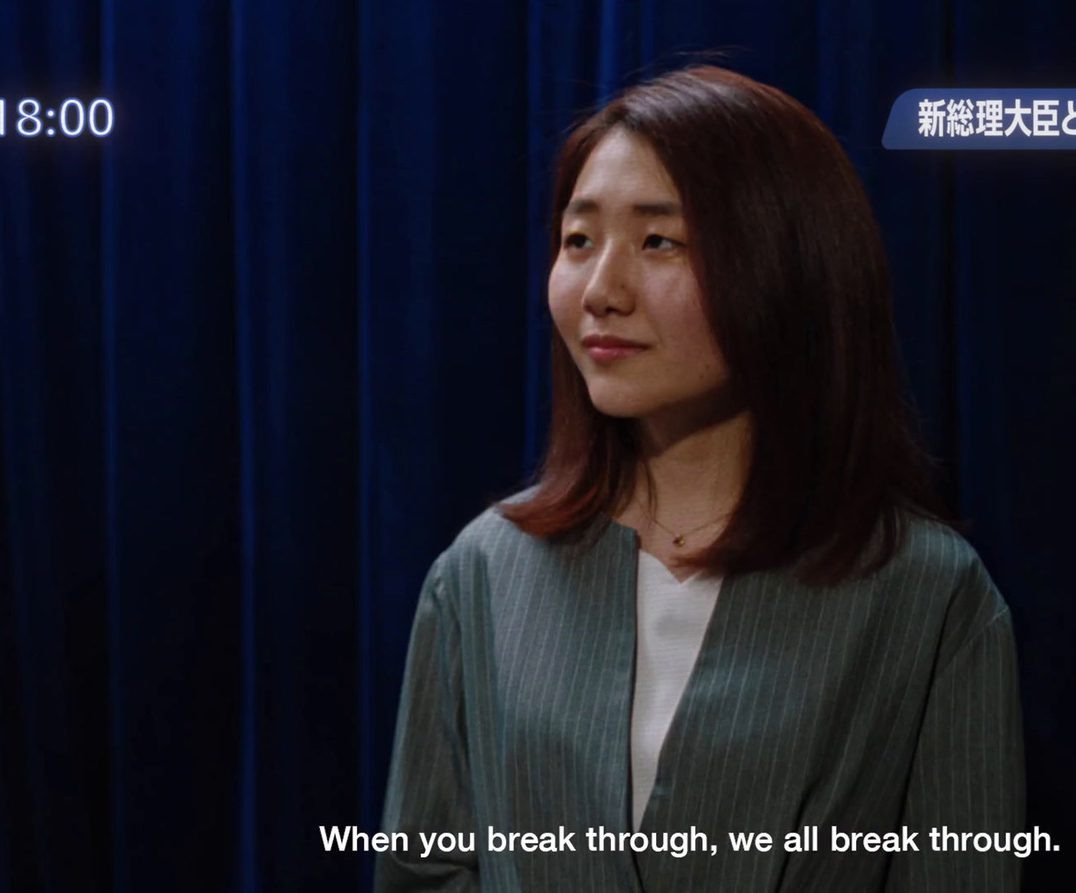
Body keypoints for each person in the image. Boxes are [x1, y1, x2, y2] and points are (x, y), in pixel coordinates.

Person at [375, 64, 1024, 893]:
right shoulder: (483, 573)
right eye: (579, 240)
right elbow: (424, 874)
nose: (601, 291)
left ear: (788, 268)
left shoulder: (926, 595)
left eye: (659, 241)